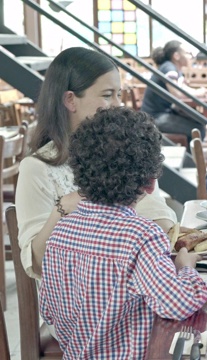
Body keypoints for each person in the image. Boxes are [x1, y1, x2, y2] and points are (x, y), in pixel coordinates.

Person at [38, 107, 207, 358]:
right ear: (150, 183)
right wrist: (185, 267)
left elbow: (49, 311)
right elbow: (179, 303)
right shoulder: (143, 236)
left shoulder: (59, 233)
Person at [15, 47, 178, 279]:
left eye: (119, 94)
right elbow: (37, 263)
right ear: (70, 100)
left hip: (137, 293)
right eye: (107, 94)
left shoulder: (126, 151)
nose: (118, 104)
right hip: (72, 307)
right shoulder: (37, 168)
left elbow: (161, 218)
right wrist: (61, 209)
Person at [140, 40, 207, 144]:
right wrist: (198, 92)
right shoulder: (169, 67)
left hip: (161, 113)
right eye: (187, 53)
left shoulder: (173, 69)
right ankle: (191, 160)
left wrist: (197, 91)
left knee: (199, 122)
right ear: (176, 56)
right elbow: (177, 92)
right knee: (198, 129)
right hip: (155, 117)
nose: (191, 56)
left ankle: (191, 157)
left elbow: (181, 88)